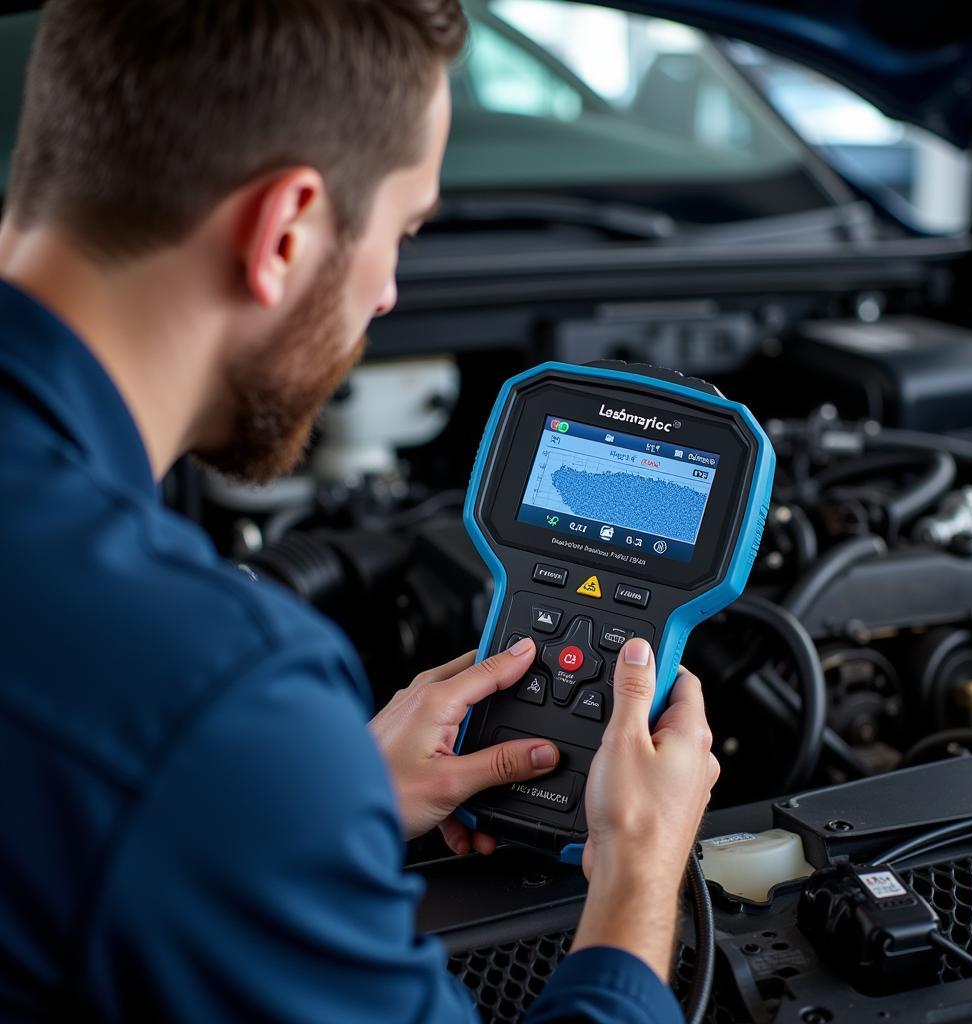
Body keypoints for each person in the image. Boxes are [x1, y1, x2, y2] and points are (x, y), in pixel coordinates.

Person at [0, 1, 720, 1021]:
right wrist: (639, 878)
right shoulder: (209, 693)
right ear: (285, 229)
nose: (386, 292)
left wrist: (319, 809)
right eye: (403, 230)